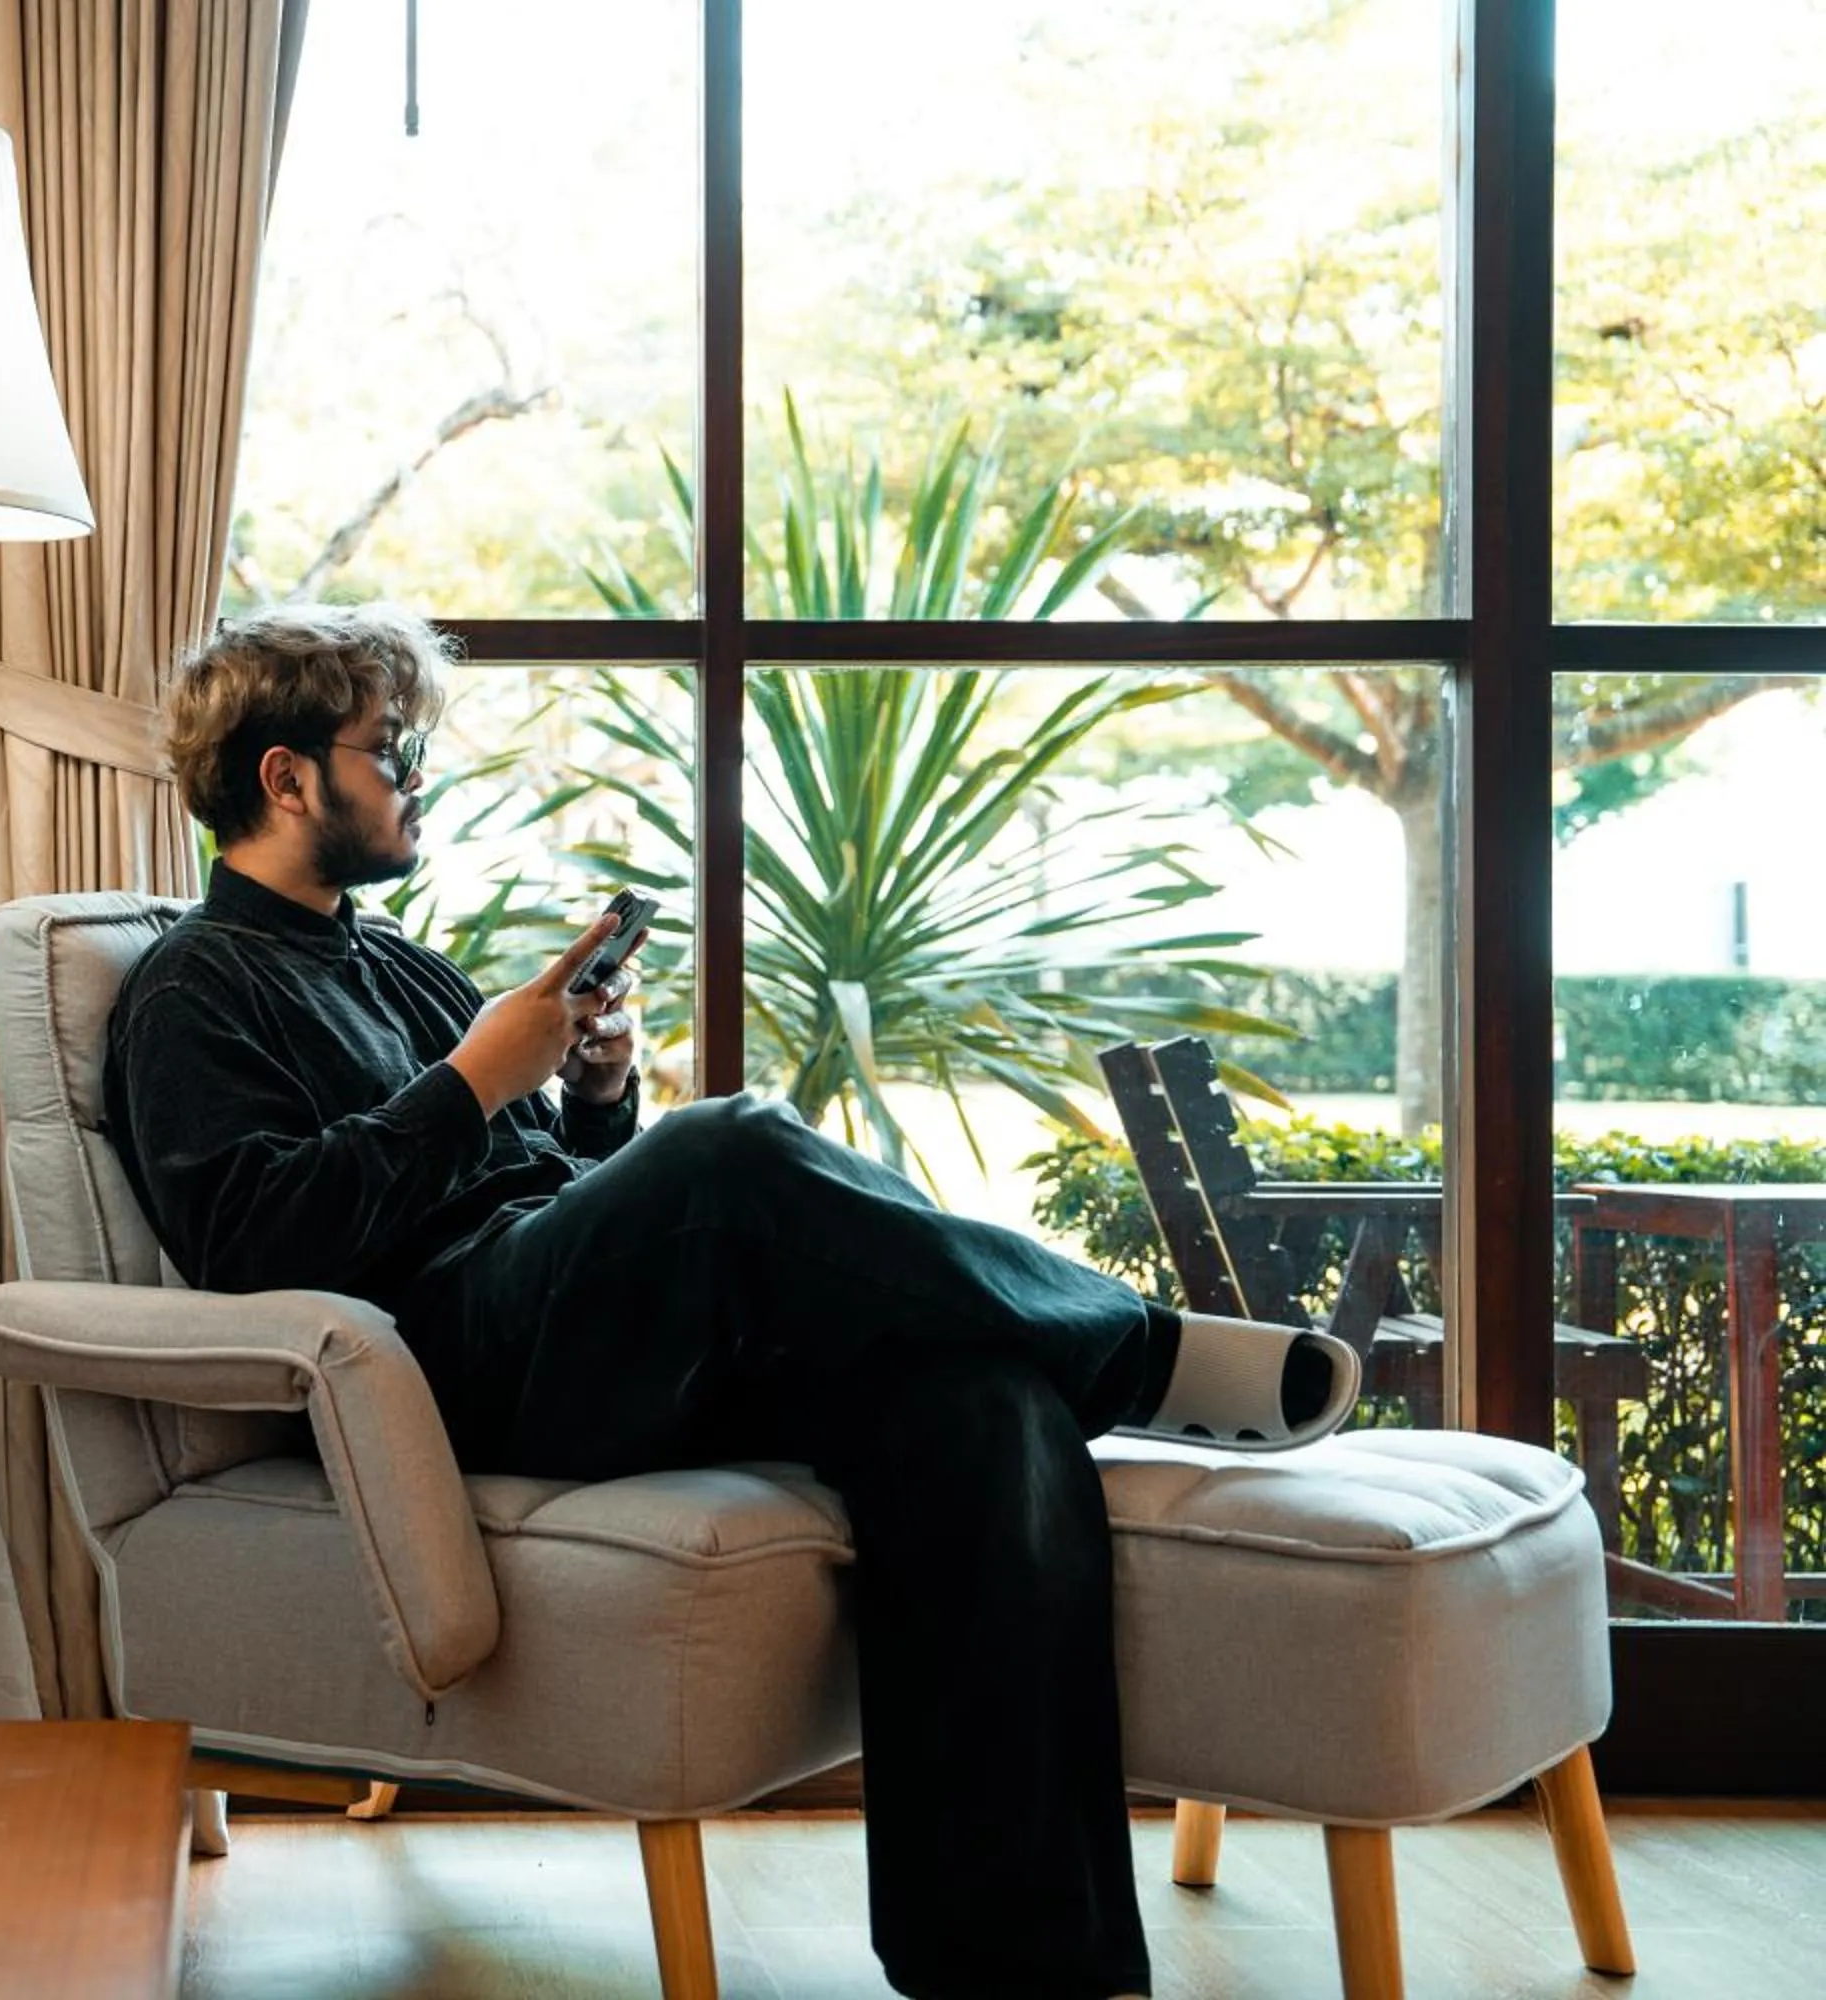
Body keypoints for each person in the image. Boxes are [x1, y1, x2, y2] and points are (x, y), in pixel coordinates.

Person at [100, 603, 1361, 2000]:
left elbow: (555, 1183)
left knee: (976, 1405)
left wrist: (584, 1093)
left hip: (565, 1323)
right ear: (285, 778)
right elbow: (248, 1239)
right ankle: (1139, 1352)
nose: (417, 785)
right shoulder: (191, 989)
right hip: (445, 1368)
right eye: (392, 755)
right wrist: (473, 1082)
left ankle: (1018, 1965)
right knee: (731, 1147)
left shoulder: (389, 957)